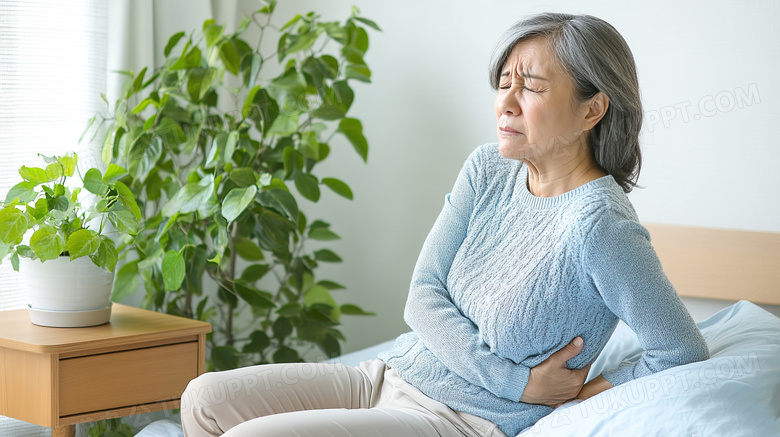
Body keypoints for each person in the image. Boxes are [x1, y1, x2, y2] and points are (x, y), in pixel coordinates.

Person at [180, 12, 710, 437]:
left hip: (456, 421)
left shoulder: (600, 226)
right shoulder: (487, 169)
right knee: (202, 399)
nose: (505, 103)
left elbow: (679, 350)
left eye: (531, 88)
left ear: (592, 110)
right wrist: (518, 381)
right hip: (387, 375)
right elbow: (422, 295)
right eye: (503, 83)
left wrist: (583, 394)